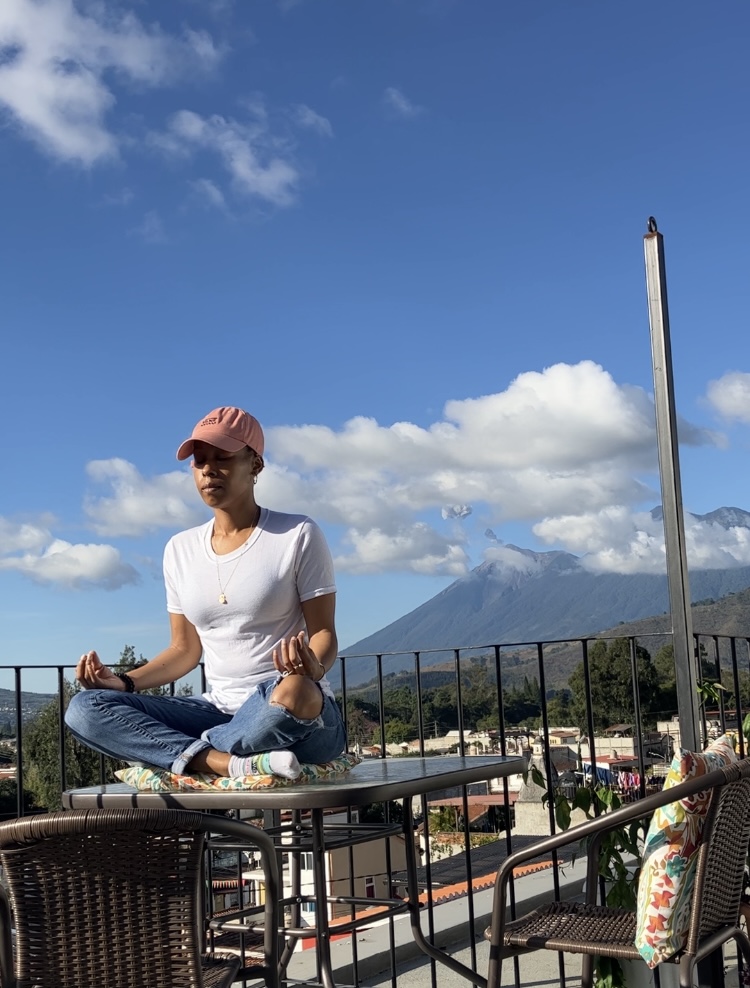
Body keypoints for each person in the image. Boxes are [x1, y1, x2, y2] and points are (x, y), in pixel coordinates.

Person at [65, 406, 346, 780]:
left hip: (287, 708)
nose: (209, 470)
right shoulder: (179, 549)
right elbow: (184, 650)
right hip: (217, 709)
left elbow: (324, 632)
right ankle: (227, 762)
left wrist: (314, 666)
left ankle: (196, 753)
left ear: (256, 465)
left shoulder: (297, 533)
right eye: (200, 461)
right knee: (85, 708)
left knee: (294, 693)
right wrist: (124, 682)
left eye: (223, 458)